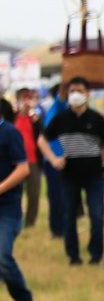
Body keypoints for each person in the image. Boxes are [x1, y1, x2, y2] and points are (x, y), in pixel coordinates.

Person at [40, 76, 104, 266]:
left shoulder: (96, 118)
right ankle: (74, 256)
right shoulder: (60, 119)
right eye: (72, 91)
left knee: (96, 215)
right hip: (69, 174)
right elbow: (42, 139)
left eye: (80, 91)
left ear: (87, 94)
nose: (76, 95)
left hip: (94, 173)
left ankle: (95, 255)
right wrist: (54, 159)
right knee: (69, 215)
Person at [0, 98, 34, 301]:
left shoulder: (10, 133)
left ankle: (25, 300)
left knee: (2, 256)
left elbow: (23, 169)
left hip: (7, 209)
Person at [12, 87, 40, 228]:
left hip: (33, 160)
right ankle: (14, 219)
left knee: (34, 193)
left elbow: (42, 136)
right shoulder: (12, 118)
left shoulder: (35, 119)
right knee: (14, 193)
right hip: (16, 161)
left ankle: (30, 222)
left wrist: (36, 120)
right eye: (24, 97)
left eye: (29, 97)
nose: (27, 101)